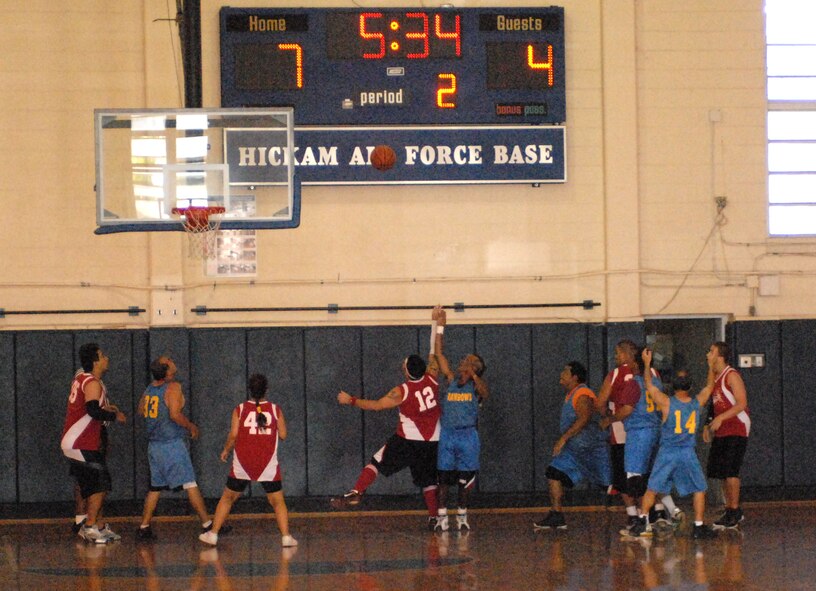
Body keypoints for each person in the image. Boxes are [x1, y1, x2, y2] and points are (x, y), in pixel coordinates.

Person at [331, 310, 442, 530]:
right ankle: (433, 518)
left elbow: (376, 405)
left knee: (376, 462)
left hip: (408, 440)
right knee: (428, 481)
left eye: (404, 364)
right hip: (432, 442)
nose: (402, 365)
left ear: (408, 372)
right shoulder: (433, 377)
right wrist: (437, 323)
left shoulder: (402, 390)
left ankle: (357, 491)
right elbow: (435, 351)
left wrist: (350, 400)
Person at [624, 348, 717, 539]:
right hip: (687, 452)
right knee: (700, 488)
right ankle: (698, 526)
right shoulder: (697, 403)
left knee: (652, 488)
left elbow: (649, 386)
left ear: (672, 386)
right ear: (690, 386)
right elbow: (709, 387)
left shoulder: (667, 402)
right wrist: (710, 366)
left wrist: (647, 364)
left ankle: (642, 522)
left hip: (668, 452)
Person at [200, 373, 297, 547]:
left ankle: (213, 534)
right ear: (267, 390)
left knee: (228, 497)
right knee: (277, 501)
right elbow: (283, 435)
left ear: (250, 391)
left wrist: (226, 450)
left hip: (243, 462)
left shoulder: (240, 409)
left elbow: (234, 434)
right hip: (267, 462)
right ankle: (286, 537)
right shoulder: (275, 410)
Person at [136, 356, 217, 540]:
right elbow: (174, 414)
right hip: (170, 444)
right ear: (166, 371)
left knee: (155, 487)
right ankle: (207, 525)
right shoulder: (172, 387)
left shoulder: (149, 389)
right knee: (190, 482)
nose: (173, 361)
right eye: (169, 361)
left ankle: (144, 526)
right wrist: (191, 426)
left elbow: (141, 410)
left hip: (154, 445)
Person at [60, 343, 126, 544]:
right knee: (100, 484)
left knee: (95, 485)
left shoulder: (82, 379)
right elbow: (92, 410)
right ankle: (89, 527)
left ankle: (97, 525)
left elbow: (88, 407)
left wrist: (106, 408)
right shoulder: (92, 382)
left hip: (78, 441)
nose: (107, 358)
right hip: (80, 441)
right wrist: (115, 416)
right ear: (96, 361)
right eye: (103, 355)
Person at [534, 361, 610, 530]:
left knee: (610, 485)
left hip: (589, 448)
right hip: (575, 450)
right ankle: (557, 515)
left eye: (565, 372)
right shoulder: (572, 393)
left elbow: (584, 418)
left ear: (575, 377)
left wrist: (563, 438)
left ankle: (648, 512)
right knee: (553, 473)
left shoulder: (582, 393)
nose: (561, 374)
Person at [433, 306, 489, 532]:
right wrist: (440, 326)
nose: (463, 361)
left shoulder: (476, 387)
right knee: (444, 478)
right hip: (448, 434)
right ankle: (442, 516)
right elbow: (439, 354)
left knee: (465, 479)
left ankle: (463, 514)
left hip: (468, 435)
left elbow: (486, 393)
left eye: (468, 360)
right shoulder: (450, 380)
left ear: (474, 368)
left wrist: (474, 374)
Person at [704, 341, 750, 530]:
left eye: (711, 351)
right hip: (722, 428)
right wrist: (708, 425)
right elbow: (709, 395)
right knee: (720, 471)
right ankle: (729, 508)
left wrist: (721, 418)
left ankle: (734, 510)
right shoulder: (716, 376)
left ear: (720, 356)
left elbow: (741, 403)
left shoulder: (732, 375)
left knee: (731, 470)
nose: (708, 354)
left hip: (737, 426)